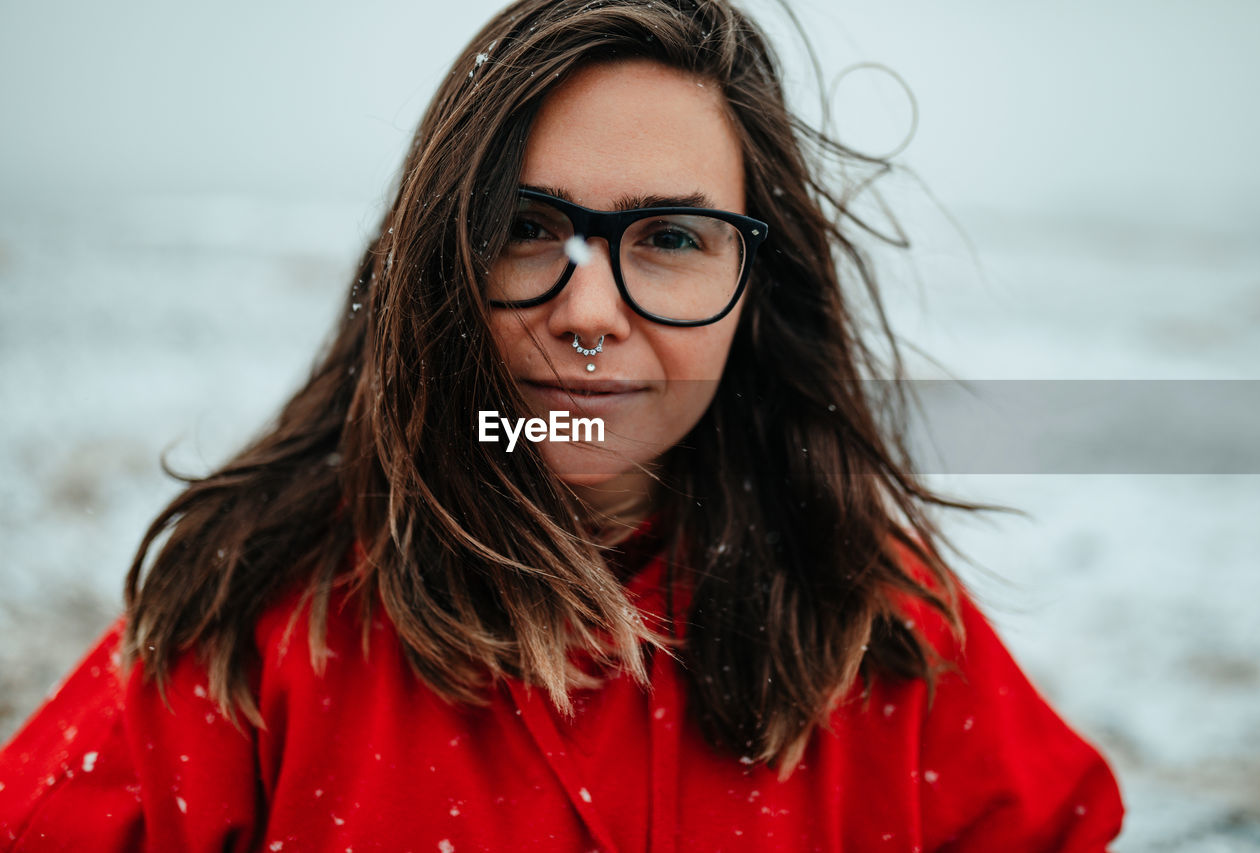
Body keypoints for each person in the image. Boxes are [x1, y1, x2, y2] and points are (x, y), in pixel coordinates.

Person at [0, 0, 1125, 849]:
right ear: (438, 261)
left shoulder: (875, 626)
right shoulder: (254, 623)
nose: (587, 311)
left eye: (672, 238)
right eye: (528, 227)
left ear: (755, 284)